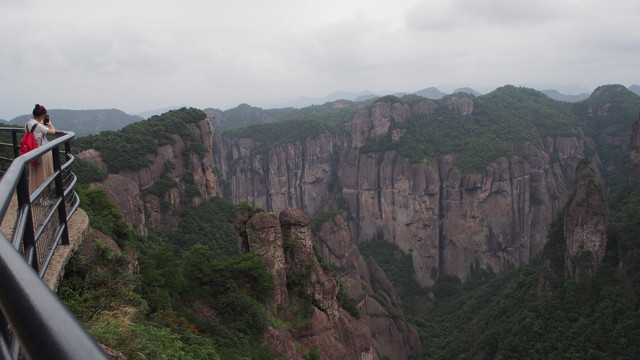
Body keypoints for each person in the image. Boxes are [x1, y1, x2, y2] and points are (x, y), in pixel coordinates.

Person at [27, 104, 56, 195]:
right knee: (44, 176)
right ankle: (43, 199)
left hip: (33, 152)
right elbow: (53, 132)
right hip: (42, 152)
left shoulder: (28, 124)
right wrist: (50, 125)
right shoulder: (38, 126)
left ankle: (36, 196)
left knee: (36, 176)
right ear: (43, 115)